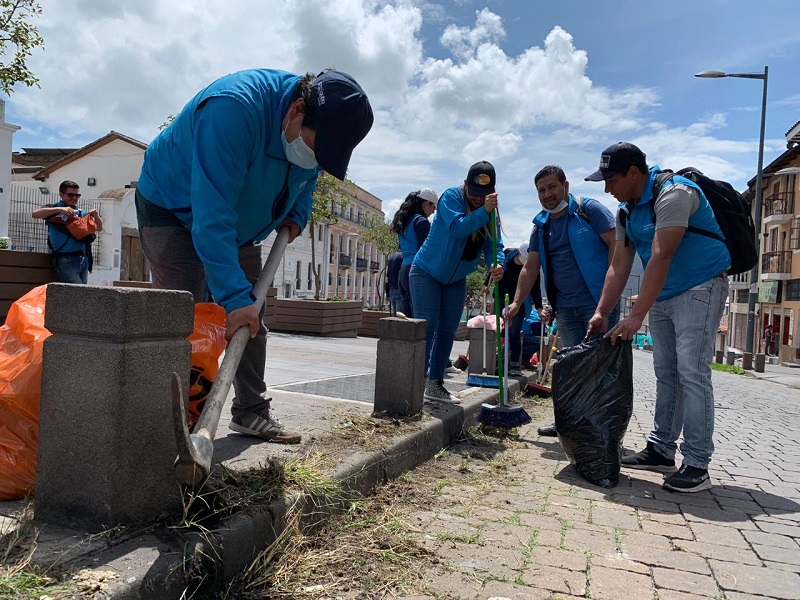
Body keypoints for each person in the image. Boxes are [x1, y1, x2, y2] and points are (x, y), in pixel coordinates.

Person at [136, 68, 373, 444]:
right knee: (183, 317)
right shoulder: (232, 111)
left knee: (252, 313)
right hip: (173, 207)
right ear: (296, 110)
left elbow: (307, 178)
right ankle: (171, 425)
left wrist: (296, 214)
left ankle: (251, 412)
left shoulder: (309, 132)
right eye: (317, 147)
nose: (316, 157)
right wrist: (231, 299)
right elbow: (211, 217)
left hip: (241, 223)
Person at [585, 142, 729, 493]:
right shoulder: (625, 211)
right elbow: (619, 266)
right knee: (666, 373)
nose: (607, 188)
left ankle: (697, 463)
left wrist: (636, 316)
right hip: (664, 293)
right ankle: (661, 449)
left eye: (611, 179)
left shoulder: (675, 193)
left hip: (700, 286)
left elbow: (663, 255)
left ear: (634, 173)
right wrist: (602, 311)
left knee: (692, 372)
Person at [506, 165, 618, 436]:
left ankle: (604, 428)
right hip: (565, 308)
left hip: (598, 303)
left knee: (601, 367)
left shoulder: (588, 210)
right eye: (541, 190)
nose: (547, 194)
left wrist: (610, 295)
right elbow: (530, 268)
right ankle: (567, 421)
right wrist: (517, 303)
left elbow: (618, 245)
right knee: (569, 367)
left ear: (565, 186)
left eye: (552, 187)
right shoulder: (540, 226)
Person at [411, 161, 504, 403]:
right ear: (465, 185)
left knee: (447, 331)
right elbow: (457, 228)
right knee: (428, 327)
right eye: (473, 194)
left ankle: (435, 384)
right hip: (426, 272)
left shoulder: (490, 211)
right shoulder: (451, 197)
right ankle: (415, 381)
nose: (477, 199)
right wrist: (484, 211)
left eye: (483, 195)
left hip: (456, 279)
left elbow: (494, 245)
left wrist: (497, 263)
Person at [32, 180, 103, 284]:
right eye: (70, 195)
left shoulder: (80, 213)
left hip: (82, 259)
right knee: (77, 293)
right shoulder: (55, 208)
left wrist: (96, 217)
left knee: (81, 294)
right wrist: (60, 209)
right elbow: (35, 214)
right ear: (61, 194)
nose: (74, 198)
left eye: (77, 195)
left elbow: (99, 228)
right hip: (65, 258)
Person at [390, 188, 438, 317]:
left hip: (403, 271)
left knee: (406, 319)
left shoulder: (405, 221)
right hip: (416, 273)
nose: (433, 212)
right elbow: (427, 251)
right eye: (433, 207)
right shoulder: (421, 222)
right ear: (426, 203)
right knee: (419, 318)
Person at [497, 242, 542, 377]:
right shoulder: (507, 255)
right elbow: (496, 268)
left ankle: (515, 363)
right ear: (519, 254)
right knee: (499, 331)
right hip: (500, 298)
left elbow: (536, 288)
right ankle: (498, 362)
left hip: (518, 303)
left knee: (514, 332)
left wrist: (539, 308)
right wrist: (486, 283)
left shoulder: (532, 266)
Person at [386, 251, 402, 316]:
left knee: (395, 316)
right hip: (399, 289)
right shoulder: (402, 257)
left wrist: (387, 293)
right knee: (400, 316)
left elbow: (388, 277)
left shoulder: (392, 257)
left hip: (391, 290)